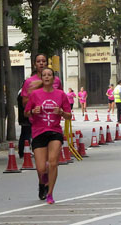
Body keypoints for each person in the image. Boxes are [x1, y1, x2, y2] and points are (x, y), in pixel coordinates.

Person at [24, 67, 71, 204]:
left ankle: (50, 193)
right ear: (41, 78)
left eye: (49, 75)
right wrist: (33, 110)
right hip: (38, 131)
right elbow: (26, 113)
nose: (46, 77)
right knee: (41, 168)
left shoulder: (61, 95)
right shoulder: (35, 95)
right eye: (44, 75)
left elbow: (69, 116)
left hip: (54, 131)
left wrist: (61, 112)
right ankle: (43, 179)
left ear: (53, 78)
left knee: (53, 162)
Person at [20, 53, 48, 159]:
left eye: (43, 61)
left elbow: (60, 99)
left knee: (51, 159)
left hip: (52, 122)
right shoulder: (29, 82)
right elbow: (24, 102)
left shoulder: (55, 81)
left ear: (47, 63)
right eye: (38, 61)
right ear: (34, 64)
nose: (41, 63)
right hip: (36, 121)